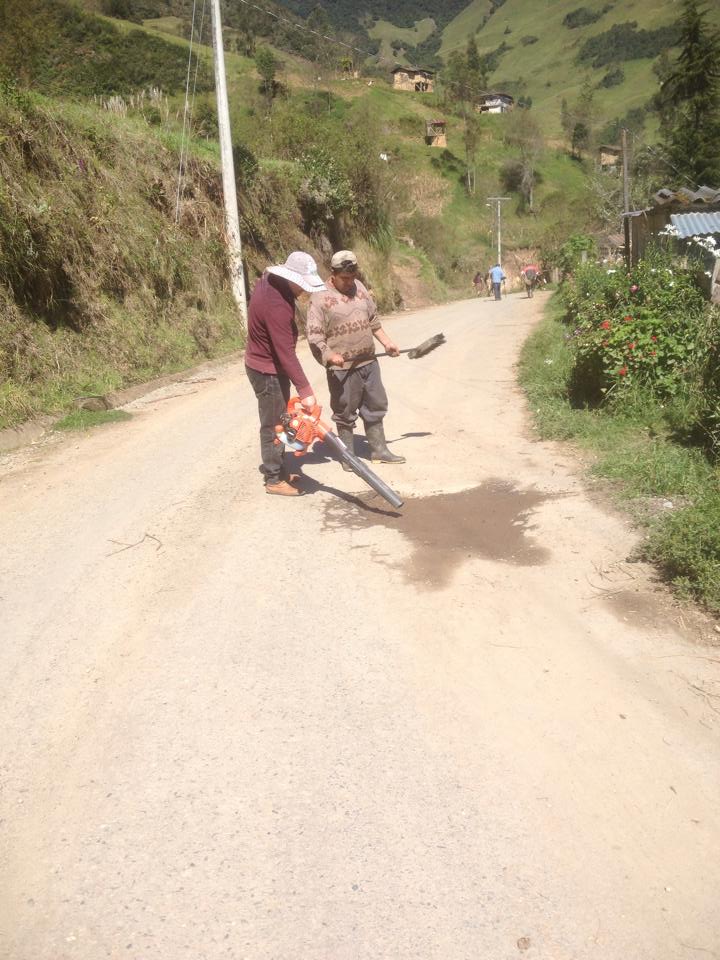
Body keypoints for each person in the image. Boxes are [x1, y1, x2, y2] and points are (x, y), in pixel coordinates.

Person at [306, 249, 405, 469]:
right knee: (344, 411)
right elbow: (314, 336)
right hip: (342, 369)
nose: (349, 282)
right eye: (345, 278)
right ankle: (348, 456)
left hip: (368, 362)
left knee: (376, 405)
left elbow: (373, 321)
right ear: (333, 273)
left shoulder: (359, 287)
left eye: (352, 277)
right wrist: (330, 355)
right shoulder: (320, 297)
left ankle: (379, 450)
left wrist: (387, 343)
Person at [245, 251, 326, 497]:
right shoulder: (277, 305)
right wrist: (306, 390)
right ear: (291, 277)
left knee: (280, 420)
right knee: (274, 425)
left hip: (264, 365)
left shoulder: (269, 281)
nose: (303, 290)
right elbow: (285, 353)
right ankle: (273, 479)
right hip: (266, 370)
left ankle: (278, 470)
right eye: (301, 284)